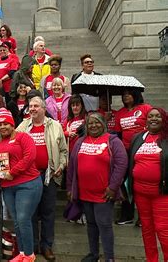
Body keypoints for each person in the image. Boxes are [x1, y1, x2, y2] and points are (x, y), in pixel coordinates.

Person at [67, 112, 127, 262]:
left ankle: (109, 257)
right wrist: (70, 188)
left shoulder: (112, 141)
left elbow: (121, 164)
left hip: (104, 194)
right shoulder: (80, 141)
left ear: (103, 124)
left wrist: (113, 187)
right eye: (90, 123)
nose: (93, 125)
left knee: (104, 225)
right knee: (91, 224)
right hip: (84, 192)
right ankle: (93, 254)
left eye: (97, 122)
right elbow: (72, 167)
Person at [16, 96, 68, 261]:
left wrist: (61, 165)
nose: (32, 109)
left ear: (44, 108)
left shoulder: (55, 126)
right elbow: (14, 147)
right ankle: (32, 246)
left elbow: (63, 151)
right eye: (30, 106)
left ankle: (46, 246)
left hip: (48, 175)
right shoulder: (23, 126)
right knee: (30, 213)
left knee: (47, 212)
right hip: (28, 177)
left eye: (36, 106)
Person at [0, 108, 42, 262]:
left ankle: (29, 255)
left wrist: (12, 172)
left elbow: (29, 157)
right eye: (0, 125)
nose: (3, 127)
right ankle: (21, 252)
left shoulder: (23, 137)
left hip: (28, 184)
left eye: (6, 123)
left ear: (13, 125)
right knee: (17, 221)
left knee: (23, 218)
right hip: (8, 187)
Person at [128, 107, 168, 262]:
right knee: (147, 229)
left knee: (163, 230)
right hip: (140, 193)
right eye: (150, 116)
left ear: (164, 119)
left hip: (162, 193)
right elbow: (131, 161)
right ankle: (151, 259)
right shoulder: (138, 138)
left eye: (158, 116)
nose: (153, 119)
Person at [114, 89, 151, 225]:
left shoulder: (145, 108)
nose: (126, 96)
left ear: (136, 95)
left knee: (141, 183)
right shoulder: (120, 113)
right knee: (125, 184)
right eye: (123, 94)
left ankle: (143, 217)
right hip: (125, 153)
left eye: (129, 93)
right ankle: (127, 215)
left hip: (143, 150)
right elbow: (117, 134)